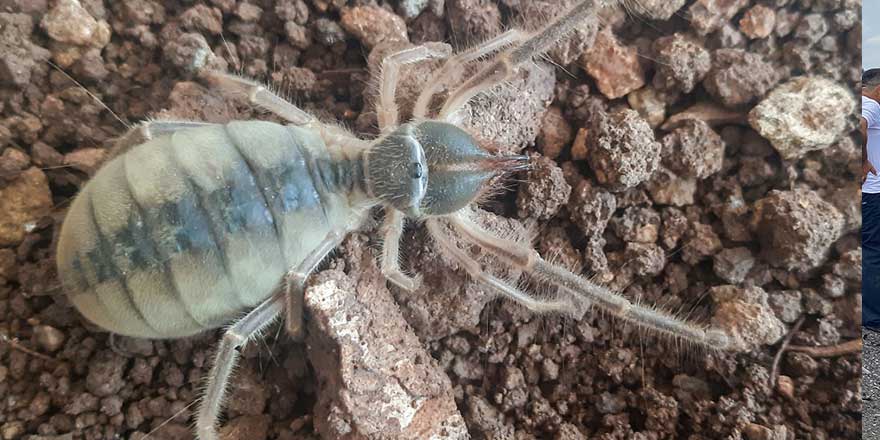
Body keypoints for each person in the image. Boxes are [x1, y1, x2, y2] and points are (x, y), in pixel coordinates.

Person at [863, 68, 880, 328]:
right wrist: (862, 161)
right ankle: (872, 320)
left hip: (870, 195)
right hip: (871, 195)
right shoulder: (871, 106)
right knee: (872, 253)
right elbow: (860, 126)